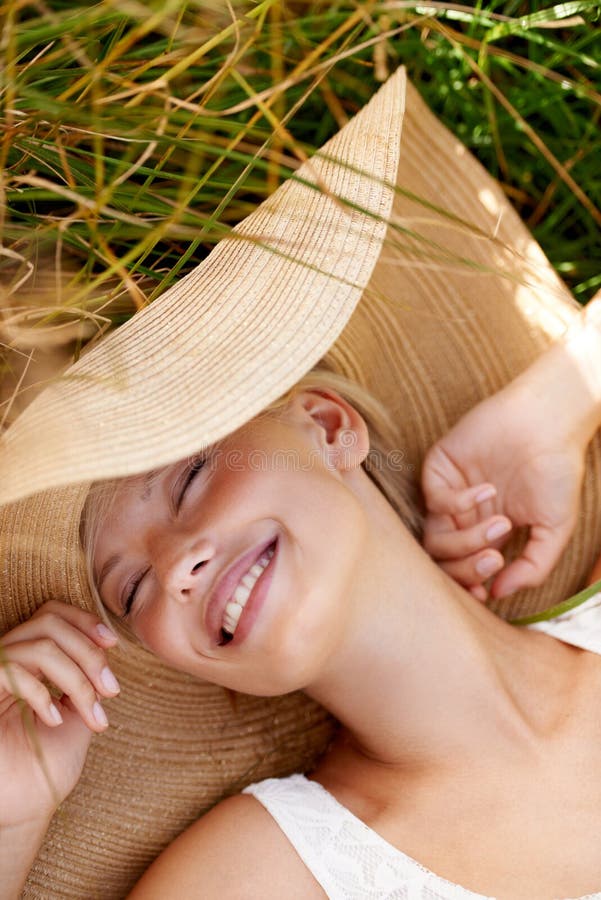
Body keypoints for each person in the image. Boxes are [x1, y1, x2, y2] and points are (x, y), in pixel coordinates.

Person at [1, 69, 600, 897]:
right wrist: (9, 818)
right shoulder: (260, 876)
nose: (175, 569)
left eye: (189, 478)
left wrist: (559, 400)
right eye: (131, 588)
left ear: (326, 425)